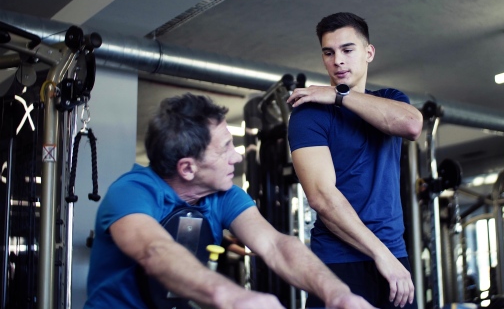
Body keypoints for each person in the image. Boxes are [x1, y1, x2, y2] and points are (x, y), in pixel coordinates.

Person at [84, 93, 376, 309]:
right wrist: (234, 298)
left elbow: (275, 246)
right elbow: (154, 251)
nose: (236, 157)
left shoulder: (223, 195)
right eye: (225, 149)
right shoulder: (132, 192)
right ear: (188, 168)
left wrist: (337, 293)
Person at [286, 12, 423, 309]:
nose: (338, 60)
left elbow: (412, 126)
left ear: (368, 52)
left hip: (393, 256)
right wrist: (380, 255)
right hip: (339, 261)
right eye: (329, 52)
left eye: (347, 50)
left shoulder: (389, 98)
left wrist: (337, 95)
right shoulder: (308, 114)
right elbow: (322, 197)